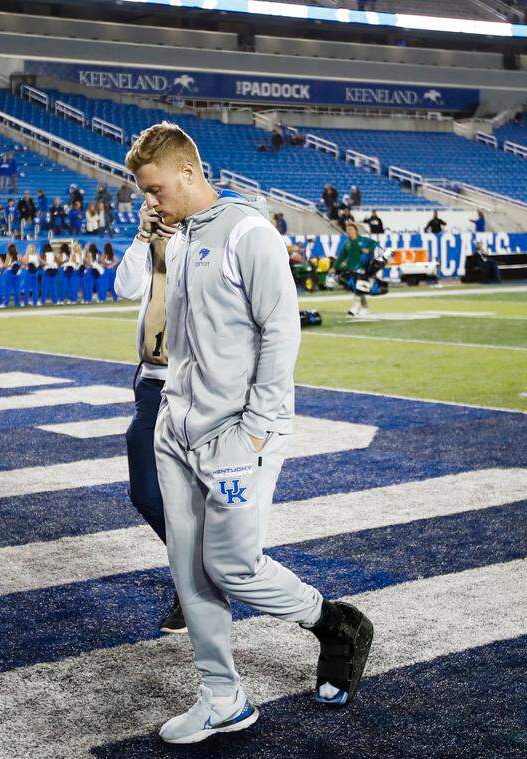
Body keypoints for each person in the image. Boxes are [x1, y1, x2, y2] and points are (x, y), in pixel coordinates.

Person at [126, 123, 374, 745]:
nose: (149, 201)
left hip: (238, 434)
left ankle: (334, 623)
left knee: (232, 567)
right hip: (177, 430)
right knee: (188, 570)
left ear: (188, 172)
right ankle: (223, 697)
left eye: (155, 189)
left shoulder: (249, 232)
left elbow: (281, 330)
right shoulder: (179, 237)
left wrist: (258, 428)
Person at [113, 195, 186, 632]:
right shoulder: (151, 243)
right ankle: (194, 568)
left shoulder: (200, 240)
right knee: (145, 492)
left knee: (193, 491)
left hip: (191, 384)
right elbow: (124, 288)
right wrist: (142, 237)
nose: (154, 206)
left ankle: (191, 585)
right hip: (151, 380)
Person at [334, 222, 379, 317]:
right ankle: (365, 308)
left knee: (358, 287)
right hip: (352, 269)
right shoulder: (347, 244)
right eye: (347, 230)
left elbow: (374, 243)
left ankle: (355, 307)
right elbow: (341, 256)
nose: (349, 232)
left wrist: (369, 250)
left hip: (363, 268)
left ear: (356, 231)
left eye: (351, 229)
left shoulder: (363, 240)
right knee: (358, 288)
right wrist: (335, 267)